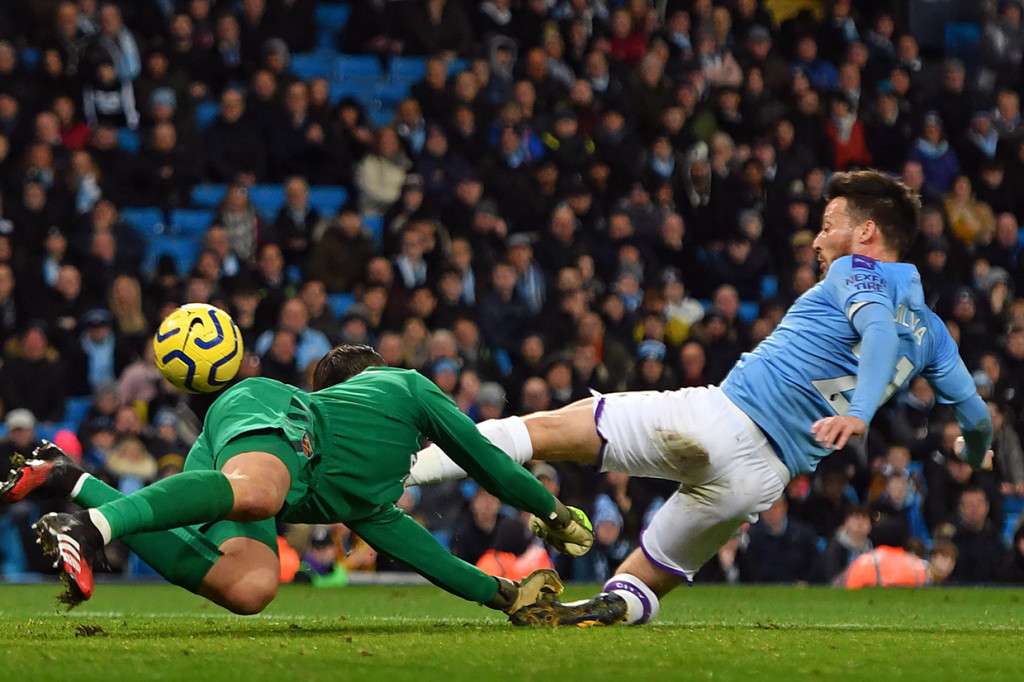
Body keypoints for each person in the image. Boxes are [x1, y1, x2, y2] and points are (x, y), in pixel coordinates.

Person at [406, 170, 995, 626]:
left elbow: (877, 331)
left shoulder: (855, 272)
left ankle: (404, 470)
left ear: (866, 233)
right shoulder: (935, 334)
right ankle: (604, 608)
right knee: (646, 578)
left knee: (547, 430)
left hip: (723, 417)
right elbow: (975, 416)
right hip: (762, 480)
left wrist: (861, 412)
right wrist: (972, 454)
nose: (818, 240)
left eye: (828, 223)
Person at [5, 345, 593, 617]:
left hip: (246, 458)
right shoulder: (402, 386)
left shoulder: (375, 497)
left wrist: (503, 596)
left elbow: (426, 556)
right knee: (260, 492)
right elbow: (483, 458)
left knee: (249, 588)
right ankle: (91, 528)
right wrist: (553, 511)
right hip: (265, 419)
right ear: (367, 380)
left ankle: (69, 479)